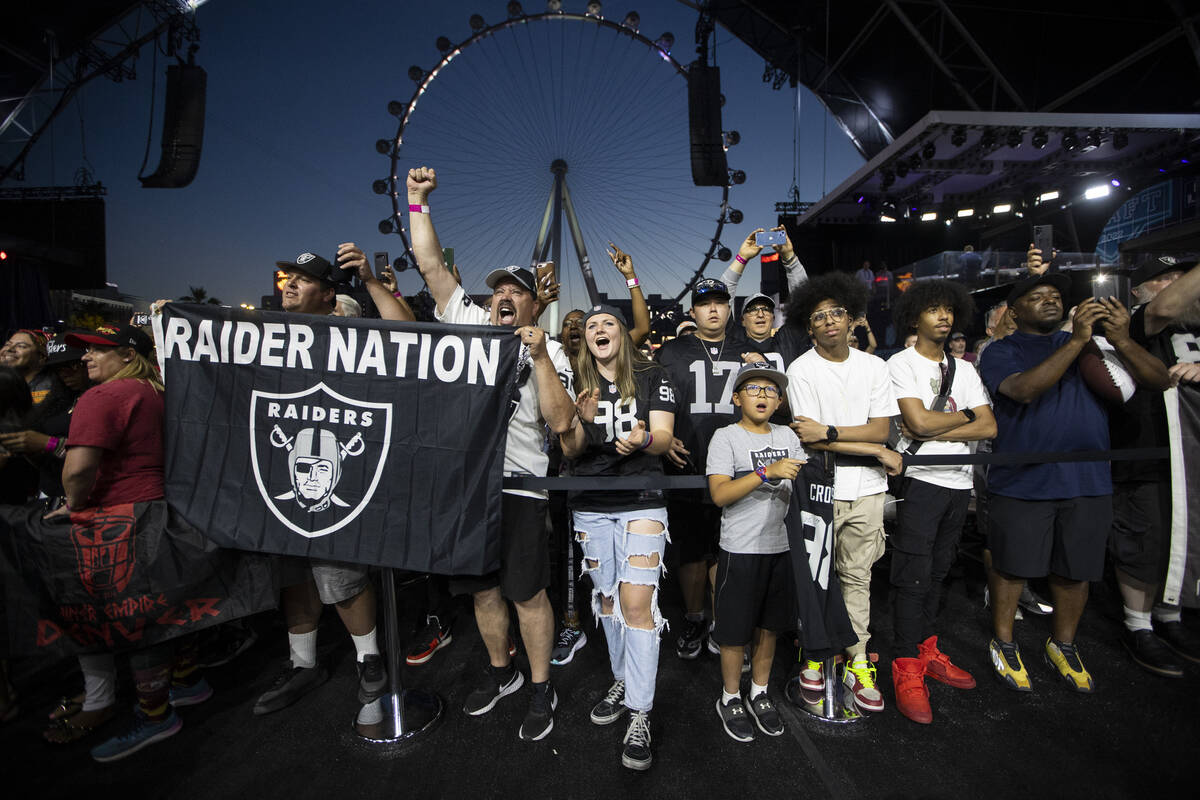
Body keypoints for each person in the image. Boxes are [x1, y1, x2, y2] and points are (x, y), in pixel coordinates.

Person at [408, 166, 575, 741]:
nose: (504, 296)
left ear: (533, 307)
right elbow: (431, 266)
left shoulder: (551, 348)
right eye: (498, 289)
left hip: (521, 485)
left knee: (527, 592)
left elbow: (559, 422)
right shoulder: (472, 324)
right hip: (466, 487)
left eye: (517, 292)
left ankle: (539, 685)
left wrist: (544, 359)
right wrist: (417, 202)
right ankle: (500, 672)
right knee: (482, 591)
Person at [979, 272, 1168, 693]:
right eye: (1037, 296)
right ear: (1014, 310)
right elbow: (1025, 390)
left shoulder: (1096, 345)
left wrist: (1120, 338)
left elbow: (1159, 379)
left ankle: (1063, 643)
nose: (1050, 300)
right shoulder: (1001, 351)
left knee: (1075, 569)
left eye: (1056, 296)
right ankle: (1005, 641)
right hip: (1024, 477)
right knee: (1012, 567)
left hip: (1088, 477)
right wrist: (1077, 341)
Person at [250, 244, 402, 717]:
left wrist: (373, 283)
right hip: (281, 472)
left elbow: (405, 336)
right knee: (295, 575)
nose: (289, 284)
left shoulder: (351, 338)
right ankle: (303, 664)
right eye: (286, 277)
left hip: (339, 472)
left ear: (329, 296)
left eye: (303, 279)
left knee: (341, 572)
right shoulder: (263, 337)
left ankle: (368, 659)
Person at [48, 323, 210, 760]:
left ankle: (156, 717)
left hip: (119, 515)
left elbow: (79, 469)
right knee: (165, 608)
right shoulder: (154, 391)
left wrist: (72, 503)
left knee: (134, 620)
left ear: (126, 355)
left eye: (97, 351)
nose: (85, 358)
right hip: (160, 510)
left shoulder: (102, 397)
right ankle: (188, 681)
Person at [558, 304, 675, 769]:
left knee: (636, 606)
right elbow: (569, 448)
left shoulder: (653, 374)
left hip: (643, 497)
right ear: (585, 339)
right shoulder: (573, 381)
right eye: (591, 326)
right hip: (590, 504)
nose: (599, 329)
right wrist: (580, 421)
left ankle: (640, 711)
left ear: (624, 334)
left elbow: (665, 437)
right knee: (606, 600)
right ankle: (623, 678)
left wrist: (644, 440)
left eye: (608, 323)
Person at [784, 272, 901, 713]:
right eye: (819, 317)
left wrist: (842, 434)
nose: (829, 321)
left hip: (867, 488)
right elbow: (810, 440)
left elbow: (881, 428)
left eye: (836, 313)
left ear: (852, 318)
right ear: (808, 326)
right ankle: (813, 654)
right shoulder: (800, 370)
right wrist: (873, 448)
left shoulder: (875, 367)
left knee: (859, 577)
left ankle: (857, 661)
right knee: (815, 578)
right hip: (818, 487)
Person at [887, 280, 997, 724]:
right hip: (922, 481)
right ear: (915, 318)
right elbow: (913, 422)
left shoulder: (966, 368)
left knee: (938, 572)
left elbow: (988, 427)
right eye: (933, 310)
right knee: (912, 573)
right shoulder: (901, 363)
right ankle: (905, 665)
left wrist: (937, 426)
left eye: (948, 309)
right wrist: (963, 416)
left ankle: (927, 648)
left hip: (958, 482)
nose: (944, 316)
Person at [1108, 255, 1200, 676]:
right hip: (1146, 451)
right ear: (1139, 290)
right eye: (1165, 279)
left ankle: (1171, 615)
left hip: (1190, 457)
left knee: (1181, 536)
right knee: (1146, 536)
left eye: (1181, 279)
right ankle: (1138, 623)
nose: (1176, 286)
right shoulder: (1141, 323)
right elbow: (1164, 308)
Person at [654, 278, 754, 660]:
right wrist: (664, 437)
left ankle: (724, 621)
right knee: (692, 552)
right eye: (705, 303)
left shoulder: (748, 350)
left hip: (739, 469)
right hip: (688, 463)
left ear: (730, 308)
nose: (713, 309)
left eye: (720, 302)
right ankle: (695, 616)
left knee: (734, 550)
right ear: (692, 311)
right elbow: (654, 401)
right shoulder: (672, 351)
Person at [707, 362, 805, 742]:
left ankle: (759, 692)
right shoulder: (726, 437)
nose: (763, 395)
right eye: (754, 389)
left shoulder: (787, 434)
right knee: (734, 631)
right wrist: (767, 472)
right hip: (742, 547)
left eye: (770, 390)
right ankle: (730, 696)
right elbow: (719, 494)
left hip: (781, 546)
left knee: (769, 627)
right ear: (736, 398)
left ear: (780, 400)